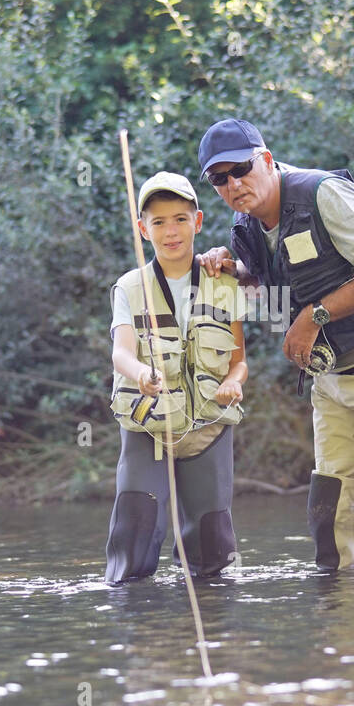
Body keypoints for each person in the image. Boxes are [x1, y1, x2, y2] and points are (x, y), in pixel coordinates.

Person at [196, 118, 354, 572]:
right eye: (218, 179)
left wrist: (313, 316)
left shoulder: (322, 193)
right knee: (329, 507)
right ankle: (343, 631)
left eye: (241, 169)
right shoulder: (244, 224)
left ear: (266, 160)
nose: (233, 184)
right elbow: (274, 298)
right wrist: (235, 273)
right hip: (331, 375)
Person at [104, 171, 248, 584]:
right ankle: (137, 626)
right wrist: (142, 372)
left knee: (212, 547)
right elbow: (120, 353)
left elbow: (239, 360)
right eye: (160, 222)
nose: (171, 232)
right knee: (136, 529)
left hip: (209, 425)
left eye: (180, 219)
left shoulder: (225, 282)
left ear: (198, 222)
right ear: (142, 229)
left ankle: (210, 628)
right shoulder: (129, 288)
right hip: (148, 425)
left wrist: (234, 381)